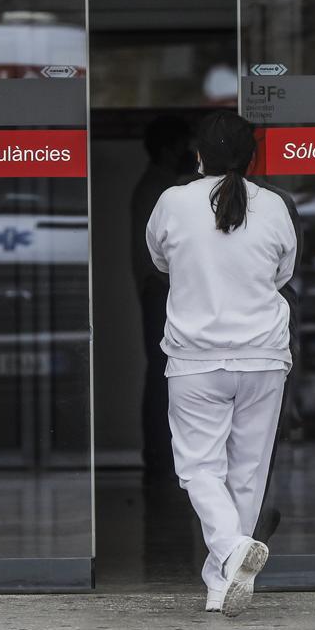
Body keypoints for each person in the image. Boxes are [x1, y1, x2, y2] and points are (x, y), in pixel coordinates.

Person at [146, 110, 297, 617]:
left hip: (196, 360)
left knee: (198, 469)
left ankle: (231, 552)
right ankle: (221, 582)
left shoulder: (173, 202)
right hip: (262, 357)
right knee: (248, 473)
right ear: (252, 158)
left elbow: (160, 260)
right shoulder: (274, 206)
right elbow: (282, 273)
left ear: (198, 156)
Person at [131, 115, 195, 483]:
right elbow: (160, 256)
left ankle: (161, 456)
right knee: (162, 376)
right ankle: (159, 456)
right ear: (171, 148)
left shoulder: (159, 187)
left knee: (162, 375)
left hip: (160, 291)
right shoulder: (161, 190)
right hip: (161, 292)